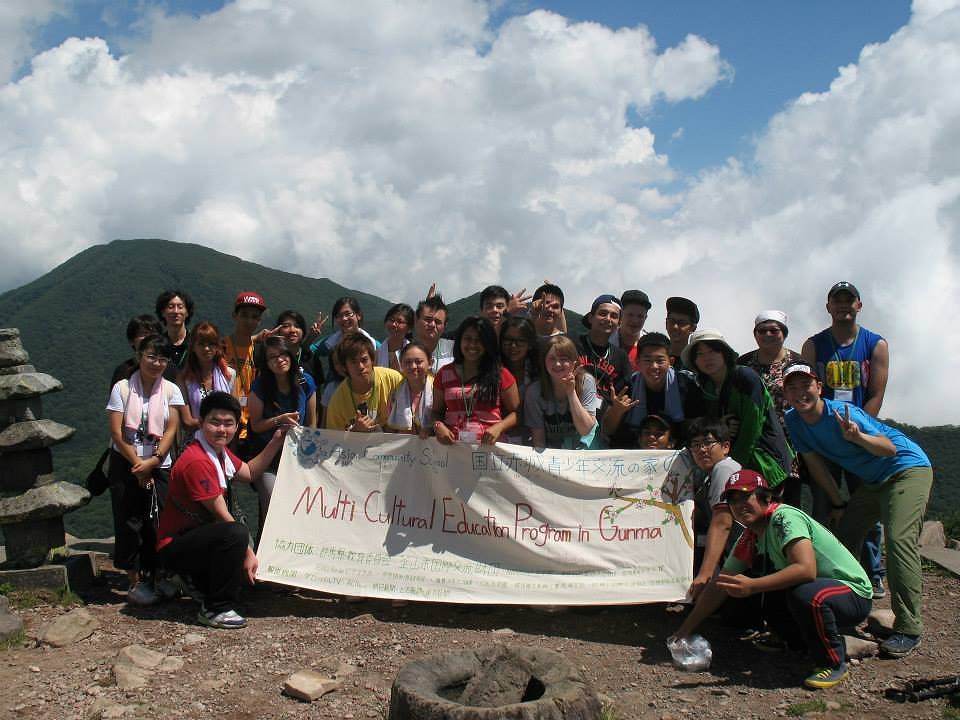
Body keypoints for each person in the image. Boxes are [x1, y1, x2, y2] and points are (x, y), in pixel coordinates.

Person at [782, 361, 932, 658]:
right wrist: (838, 501)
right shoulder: (794, 421)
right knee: (843, 539)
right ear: (785, 394)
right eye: (792, 388)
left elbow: (889, 448)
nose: (800, 393)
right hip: (875, 483)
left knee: (899, 540)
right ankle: (844, 609)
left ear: (819, 387)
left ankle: (908, 627)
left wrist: (858, 437)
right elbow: (814, 464)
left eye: (806, 385)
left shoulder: (842, 413)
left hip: (907, 469)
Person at [673, 469, 872, 690]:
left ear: (766, 497)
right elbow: (722, 583)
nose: (739, 505)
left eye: (746, 497)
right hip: (821, 591)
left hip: (851, 592)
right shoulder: (751, 535)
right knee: (769, 588)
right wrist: (684, 630)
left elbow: (806, 570)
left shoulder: (785, 518)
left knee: (804, 594)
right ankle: (798, 642)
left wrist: (752, 586)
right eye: (733, 500)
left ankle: (832, 663)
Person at [157, 391, 286, 629]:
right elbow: (221, 515)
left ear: (237, 426)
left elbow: (249, 472)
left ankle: (193, 581)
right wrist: (248, 553)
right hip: (176, 545)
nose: (222, 429)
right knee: (236, 534)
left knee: (237, 545)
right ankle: (215, 608)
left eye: (228, 424)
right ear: (201, 422)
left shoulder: (217, 452)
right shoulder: (198, 460)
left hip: (194, 538)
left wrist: (277, 439)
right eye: (215, 422)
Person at [801, 281, 889, 595]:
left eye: (848, 300)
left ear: (858, 305)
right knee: (824, 505)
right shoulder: (814, 345)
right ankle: (826, 569)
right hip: (824, 439)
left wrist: (860, 431)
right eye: (836, 301)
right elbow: (806, 392)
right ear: (828, 307)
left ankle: (872, 571)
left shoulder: (875, 344)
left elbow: (876, 393)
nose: (842, 306)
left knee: (866, 506)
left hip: (859, 439)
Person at [105, 334, 184, 605]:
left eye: (162, 358)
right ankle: (135, 581)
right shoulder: (122, 388)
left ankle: (159, 574)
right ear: (139, 356)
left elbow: (172, 429)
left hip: (159, 464)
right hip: (125, 463)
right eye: (151, 356)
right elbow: (117, 433)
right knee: (129, 521)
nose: (156, 363)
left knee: (160, 520)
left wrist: (154, 460)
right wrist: (138, 465)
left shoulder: (171, 390)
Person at [682, 329, 791, 489]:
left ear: (724, 353)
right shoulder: (705, 386)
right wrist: (721, 426)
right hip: (727, 464)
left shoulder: (746, 378)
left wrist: (734, 469)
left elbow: (752, 428)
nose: (707, 358)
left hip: (765, 462)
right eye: (700, 354)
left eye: (712, 351)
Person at [248, 336, 317, 534]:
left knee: (300, 507)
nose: (279, 360)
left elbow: (312, 423)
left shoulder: (305, 381)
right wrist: (280, 420)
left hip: (298, 456)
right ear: (266, 363)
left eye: (283, 354)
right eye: (272, 357)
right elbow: (256, 425)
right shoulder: (260, 386)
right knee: (272, 502)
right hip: (268, 457)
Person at [739, 310, 803, 506]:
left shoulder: (798, 362)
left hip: (791, 443)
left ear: (784, 333)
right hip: (755, 442)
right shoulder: (743, 364)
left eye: (774, 330)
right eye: (762, 330)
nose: (767, 334)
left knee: (788, 502)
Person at [431, 316, 519, 445]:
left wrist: (500, 427)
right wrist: (438, 425)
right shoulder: (443, 374)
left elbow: (517, 413)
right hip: (453, 448)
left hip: (489, 449)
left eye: (479, 340)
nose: (472, 344)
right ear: (459, 340)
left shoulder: (501, 374)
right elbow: (436, 412)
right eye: (467, 339)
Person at [685, 419, 741, 599]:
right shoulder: (708, 476)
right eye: (696, 444)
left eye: (708, 443)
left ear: (726, 447)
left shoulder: (724, 468)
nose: (702, 449)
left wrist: (705, 574)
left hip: (742, 557)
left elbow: (722, 523)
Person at [603, 332, 689, 448]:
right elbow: (607, 430)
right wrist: (616, 411)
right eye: (647, 360)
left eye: (660, 360)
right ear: (638, 362)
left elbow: (693, 431)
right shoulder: (627, 387)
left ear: (671, 362)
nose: (654, 366)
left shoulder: (684, 386)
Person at [524, 335, 601, 449]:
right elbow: (539, 441)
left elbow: (585, 430)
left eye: (563, 359)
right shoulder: (534, 392)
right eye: (552, 358)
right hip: (554, 449)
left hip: (585, 445)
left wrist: (571, 393)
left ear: (574, 362)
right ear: (544, 362)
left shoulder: (587, 382)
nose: (557, 364)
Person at [325, 332, 403, 431]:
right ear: (345, 367)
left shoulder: (393, 379)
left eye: (364, 360)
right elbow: (334, 438)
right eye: (353, 362)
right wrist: (355, 432)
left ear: (372, 360)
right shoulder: (337, 402)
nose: (360, 366)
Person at [574, 294, 632, 424]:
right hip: (570, 414)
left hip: (602, 422)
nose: (608, 319)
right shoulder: (573, 343)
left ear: (619, 323)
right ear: (591, 318)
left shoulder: (621, 357)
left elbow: (623, 394)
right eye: (603, 313)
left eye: (614, 316)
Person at [223, 291, 266, 460]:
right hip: (225, 424)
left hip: (252, 426)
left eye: (255, 317)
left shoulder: (261, 351)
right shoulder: (221, 347)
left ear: (259, 321)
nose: (249, 321)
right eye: (244, 315)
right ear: (235, 316)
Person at [176, 321, 236, 435]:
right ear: (193, 347)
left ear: (217, 347)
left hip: (223, 438)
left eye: (211, 344)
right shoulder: (183, 378)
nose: (207, 348)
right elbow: (187, 421)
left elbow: (234, 413)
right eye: (201, 344)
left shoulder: (229, 375)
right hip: (194, 439)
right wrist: (216, 424)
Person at [499, 316, 539, 445]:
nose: (513, 346)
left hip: (533, 441)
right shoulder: (491, 371)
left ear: (530, 344)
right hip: (498, 439)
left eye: (520, 341)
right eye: (508, 340)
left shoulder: (539, 372)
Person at [385, 341, 434, 434]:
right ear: (401, 364)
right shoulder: (395, 394)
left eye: (418, 362)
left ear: (430, 363)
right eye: (408, 362)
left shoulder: (438, 391)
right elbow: (390, 428)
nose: (413, 366)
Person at [109, 315, 163, 391]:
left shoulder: (168, 369)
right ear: (132, 340)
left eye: (153, 334)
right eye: (143, 334)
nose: (148, 338)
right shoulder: (123, 371)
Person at [154, 290, 194, 381]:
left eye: (180, 307)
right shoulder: (157, 345)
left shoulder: (195, 343)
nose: (176, 311)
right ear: (163, 312)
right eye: (171, 307)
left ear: (187, 312)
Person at [610, 289, 651, 370]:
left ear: (645, 318)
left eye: (640, 316)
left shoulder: (650, 346)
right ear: (620, 314)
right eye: (630, 315)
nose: (635, 321)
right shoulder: (606, 340)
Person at [413, 295, 455, 374]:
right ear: (416, 320)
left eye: (438, 322)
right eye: (427, 320)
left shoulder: (455, 350)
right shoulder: (404, 351)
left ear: (445, 326)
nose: (432, 325)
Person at [665, 296, 699, 372]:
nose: (675, 327)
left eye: (682, 323)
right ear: (666, 324)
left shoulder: (697, 361)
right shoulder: (655, 356)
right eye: (672, 321)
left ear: (693, 328)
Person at [376, 303, 414, 372]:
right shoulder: (376, 355)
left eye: (399, 322)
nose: (394, 324)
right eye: (391, 320)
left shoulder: (414, 353)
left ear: (409, 328)